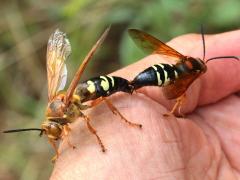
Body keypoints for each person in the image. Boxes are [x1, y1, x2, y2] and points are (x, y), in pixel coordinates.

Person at [50, 29, 240, 179]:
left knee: (103, 100)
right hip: (150, 77)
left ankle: (127, 105)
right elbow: (175, 91)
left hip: (131, 80)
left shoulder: (184, 66)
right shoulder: (65, 115)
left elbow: (175, 90)